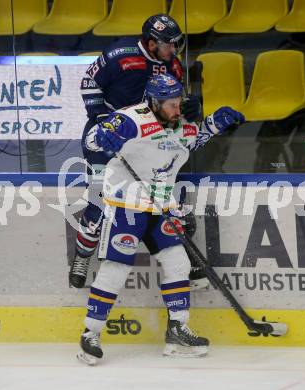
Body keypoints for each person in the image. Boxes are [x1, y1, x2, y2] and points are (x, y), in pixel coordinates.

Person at [77, 73, 245, 365]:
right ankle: (90, 333)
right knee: (116, 268)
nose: (177, 110)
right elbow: (93, 139)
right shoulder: (132, 118)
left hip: (160, 206)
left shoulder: (180, 123)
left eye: (179, 103)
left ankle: (177, 331)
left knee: (178, 263)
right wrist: (100, 137)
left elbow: (193, 140)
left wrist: (215, 123)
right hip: (125, 205)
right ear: (154, 103)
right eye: (170, 105)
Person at [70, 14, 207, 290]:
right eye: (168, 44)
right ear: (151, 41)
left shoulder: (173, 65)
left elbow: (175, 103)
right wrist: (103, 123)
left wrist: (193, 107)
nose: (173, 49)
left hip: (149, 143)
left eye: (176, 43)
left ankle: (184, 258)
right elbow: (89, 84)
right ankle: (82, 256)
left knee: (169, 200)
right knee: (99, 203)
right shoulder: (121, 55)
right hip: (109, 138)